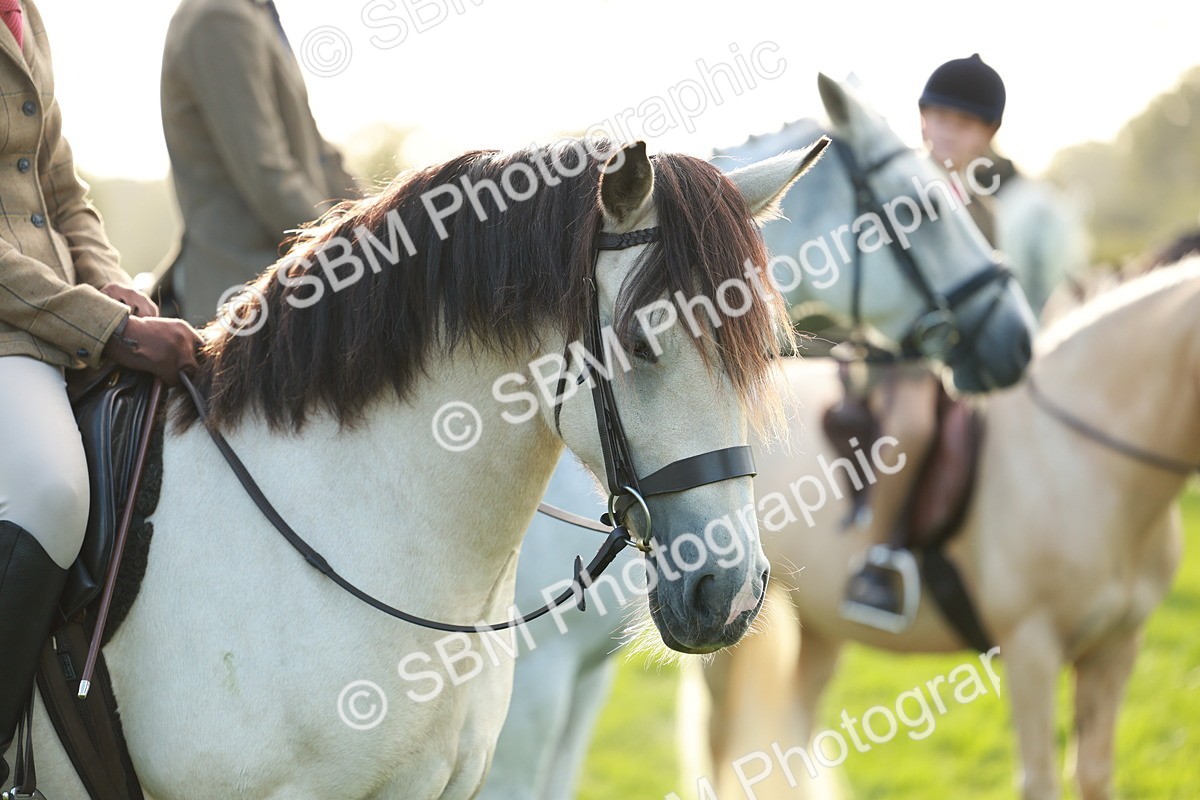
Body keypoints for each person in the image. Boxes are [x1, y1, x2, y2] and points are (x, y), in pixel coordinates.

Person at [0, 0, 201, 785]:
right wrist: (107, 329)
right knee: (52, 491)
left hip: (61, 309)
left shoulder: (25, 15)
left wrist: (113, 279)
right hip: (13, 324)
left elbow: (58, 184)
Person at [840, 54, 1019, 628]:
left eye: (964, 124)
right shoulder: (891, 191)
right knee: (915, 422)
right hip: (893, 357)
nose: (948, 133)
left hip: (958, 363)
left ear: (987, 137)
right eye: (939, 118)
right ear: (921, 121)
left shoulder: (985, 216)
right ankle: (877, 558)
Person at [161, 0, 360, 326]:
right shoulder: (219, 16)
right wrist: (354, 246)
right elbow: (266, 171)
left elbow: (320, 153)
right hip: (252, 289)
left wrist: (383, 220)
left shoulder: (253, 13)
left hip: (293, 274)